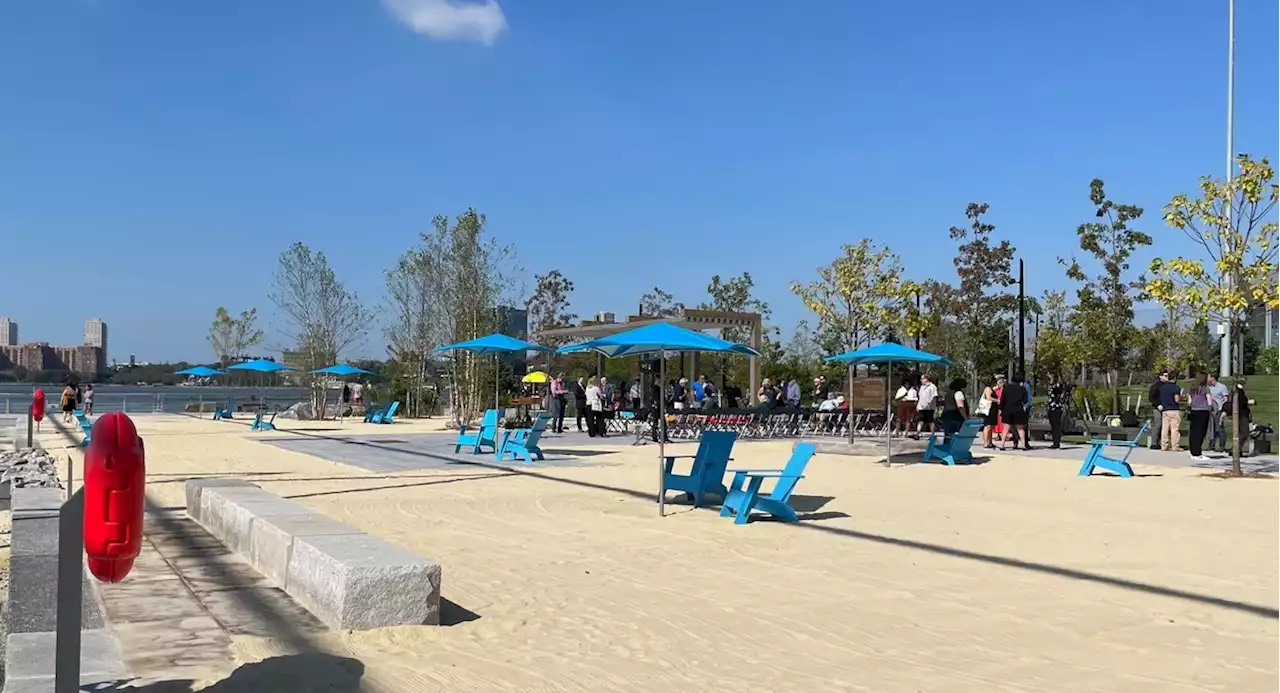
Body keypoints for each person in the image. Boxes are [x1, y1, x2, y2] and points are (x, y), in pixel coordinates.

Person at [1000, 374, 1031, 451]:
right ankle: (1023, 445)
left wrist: (1001, 408)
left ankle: (1002, 445)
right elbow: (1025, 400)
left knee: (1006, 427)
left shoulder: (1006, 387)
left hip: (1008, 409)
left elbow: (1002, 399)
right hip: (1018, 409)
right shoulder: (1022, 389)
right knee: (1020, 428)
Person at [1186, 372, 1212, 461]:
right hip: (1203, 411)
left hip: (1194, 410)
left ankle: (1193, 451)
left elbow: (1189, 401)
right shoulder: (1206, 388)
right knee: (1201, 432)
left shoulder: (1192, 388)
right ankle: (1198, 453)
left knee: (1193, 432)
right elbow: (1209, 402)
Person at [1156, 370, 1184, 452]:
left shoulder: (1163, 387)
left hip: (1165, 410)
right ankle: (1175, 446)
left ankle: (1164, 445)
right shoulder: (1175, 387)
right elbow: (1177, 400)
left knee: (1165, 429)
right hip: (1174, 409)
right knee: (1174, 429)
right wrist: (1182, 396)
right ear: (1175, 378)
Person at [1227, 378, 1253, 455]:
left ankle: (1236, 449)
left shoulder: (1235, 390)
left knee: (1239, 432)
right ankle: (1236, 449)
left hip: (1239, 413)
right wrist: (1249, 402)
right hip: (1241, 414)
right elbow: (1241, 402)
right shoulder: (1238, 390)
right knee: (1244, 432)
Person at [940, 378, 969, 443]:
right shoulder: (958, 393)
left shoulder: (948, 393)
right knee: (961, 437)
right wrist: (966, 418)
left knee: (948, 436)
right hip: (956, 418)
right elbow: (960, 406)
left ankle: (947, 449)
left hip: (947, 417)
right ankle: (957, 450)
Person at [1207, 374, 1229, 452]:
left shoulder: (1222, 387)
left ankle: (1222, 446)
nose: (1207, 378)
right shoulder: (1208, 387)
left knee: (1219, 428)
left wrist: (1225, 410)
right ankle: (1211, 446)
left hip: (1219, 410)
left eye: (1208, 377)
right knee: (1211, 428)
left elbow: (1226, 399)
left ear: (1213, 378)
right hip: (1211, 410)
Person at [978, 377, 1000, 449]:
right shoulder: (987, 388)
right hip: (988, 410)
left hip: (993, 410)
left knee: (991, 426)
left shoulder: (991, 389)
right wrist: (997, 400)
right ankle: (985, 442)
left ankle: (990, 442)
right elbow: (988, 397)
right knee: (987, 426)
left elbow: (996, 388)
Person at [1045, 375, 1066, 449]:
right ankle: (1055, 442)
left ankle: (1056, 443)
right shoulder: (1052, 387)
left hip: (1056, 408)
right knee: (1053, 426)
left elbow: (1057, 391)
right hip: (1051, 408)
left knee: (1056, 426)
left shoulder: (1057, 386)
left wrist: (1052, 381)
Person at [1148, 373, 1167, 450]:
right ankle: (1154, 443)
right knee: (1158, 425)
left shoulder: (1167, 386)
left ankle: (1162, 443)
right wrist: (1157, 404)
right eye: (1165, 376)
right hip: (1157, 408)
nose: (1167, 377)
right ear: (1160, 376)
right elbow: (1151, 397)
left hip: (1166, 408)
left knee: (1164, 426)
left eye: (1167, 376)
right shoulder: (1155, 386)